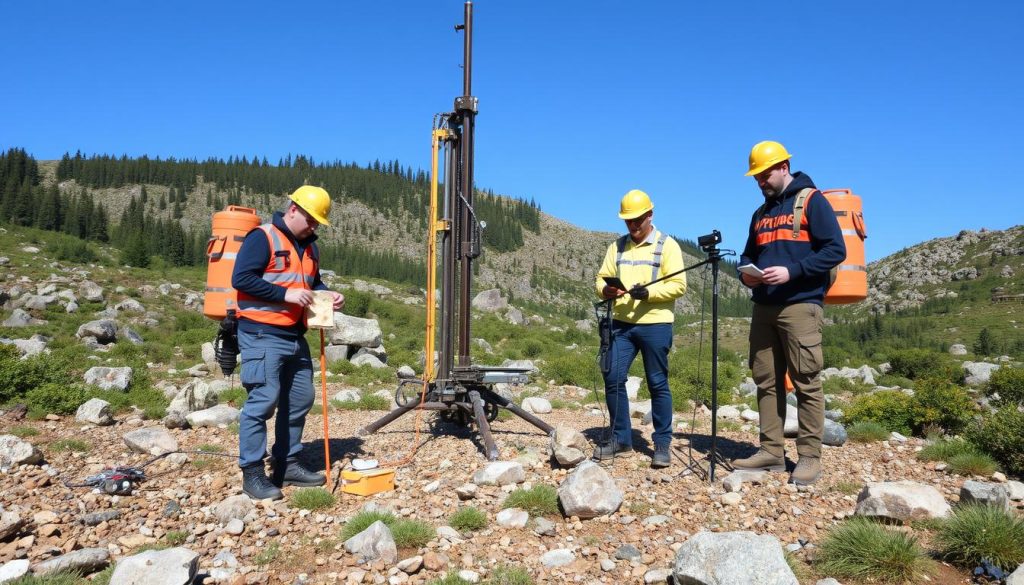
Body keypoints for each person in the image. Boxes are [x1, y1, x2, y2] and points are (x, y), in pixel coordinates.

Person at [732, 141, 845, 485]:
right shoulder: (760, 213)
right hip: (764, 306)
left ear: (783, 166)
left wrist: (792, 271)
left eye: (763, 174)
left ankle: (810, 457)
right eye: (756, 177)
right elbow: (747, 256)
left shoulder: (812, 200)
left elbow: (835, 249)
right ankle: (771, 452)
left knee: (806, 381)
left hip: (800, 304)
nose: (759, 181)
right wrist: (746, 274)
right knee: (766, 381)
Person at [232, 185, 345, 500]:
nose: (313, 227)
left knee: (300, 399)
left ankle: (287, 463)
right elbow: (241, 279)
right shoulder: (262, 237)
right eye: (311, 220)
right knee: (263, 401)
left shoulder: (310, 247)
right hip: (261, 332)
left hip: (295, 335)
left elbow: (311, 282)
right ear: (293, 209)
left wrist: (329, 293)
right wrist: (286, 294)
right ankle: (252, 473)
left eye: (318, 223)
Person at [593, 190, 687, 468]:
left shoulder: (667, 246)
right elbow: (600, 278)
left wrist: (649, 294)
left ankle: (662, 444)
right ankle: (621, 439)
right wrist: (606, 289)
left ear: (650, 215)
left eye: (637, 220)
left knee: (657, 383)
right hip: (621, 324)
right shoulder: (617, 247)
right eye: (628, 221)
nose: (633, 226)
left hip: (656, 323)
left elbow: (679, 285)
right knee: (613, 377)